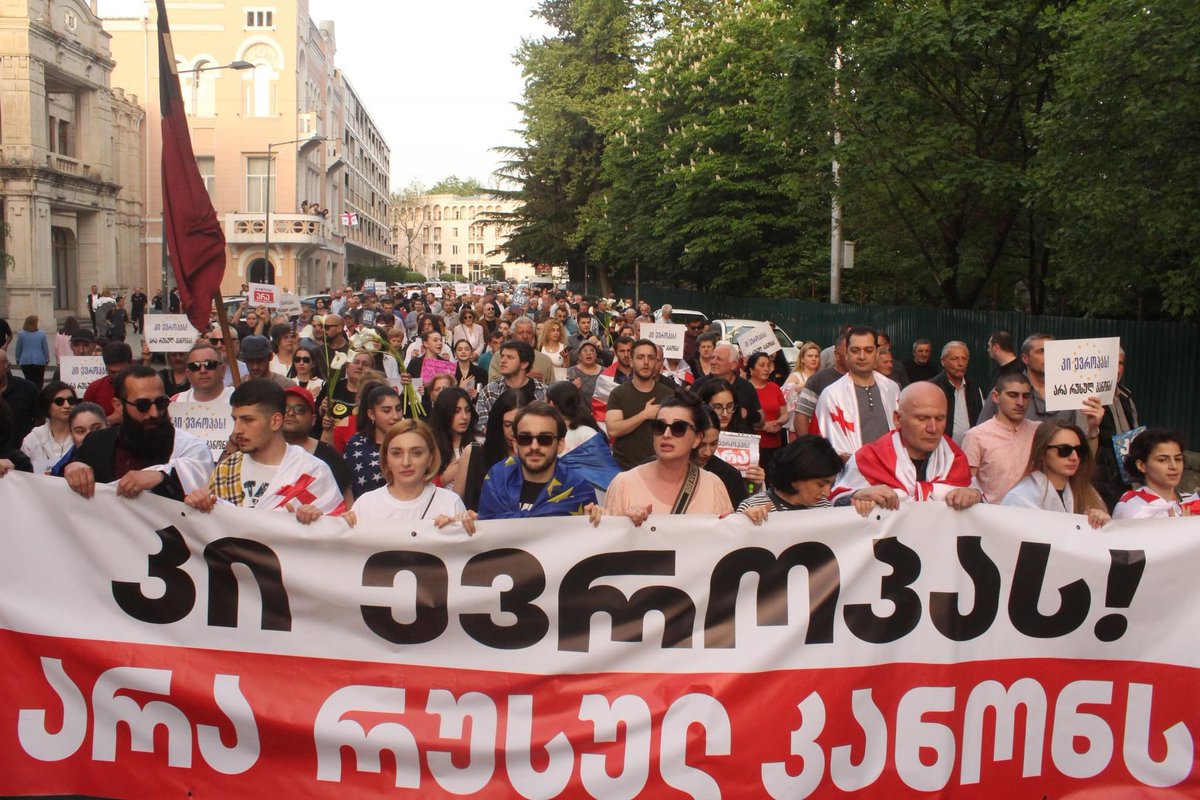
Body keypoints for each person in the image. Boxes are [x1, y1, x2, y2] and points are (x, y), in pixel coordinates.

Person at [184, 379, 345, 522]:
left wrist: (317, 521)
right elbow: (213, 527)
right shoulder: (226, 470)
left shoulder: (312, 472)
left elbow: (336, 534)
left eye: (248, 420)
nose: (237, 430)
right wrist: (199, 504)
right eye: (235, 419)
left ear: (275, 421)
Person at [64, 366, 213, 501]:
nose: (154, 413)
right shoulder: (96, 442)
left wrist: (161, 479)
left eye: (161, 403)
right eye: (143, 405)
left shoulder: (189, 447)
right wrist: (73, 468)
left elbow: (199, 501)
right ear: (119, 405)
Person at [830, 382, 983, 513]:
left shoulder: (955, 459)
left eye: (940, 418)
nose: (933, 428)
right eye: (922, 418)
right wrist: (855, 496)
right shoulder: (868, 458)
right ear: (898, 419)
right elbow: (834, 502)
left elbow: (978, 517)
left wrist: (974, 497)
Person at [606, 391, 733, 519]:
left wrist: (746, 520)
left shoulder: (713, 485)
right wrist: (627, 524)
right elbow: (609, 536)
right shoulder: (624, 484)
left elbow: (728, 536)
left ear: (697, 439)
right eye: (659, 426)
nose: (666, 434)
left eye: (678, 428)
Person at [478, 401, 601, 522]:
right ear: (515, 444)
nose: (534, 446)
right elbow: (484, 529)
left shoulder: (579, 489)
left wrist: (599, 519)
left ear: (560, 444)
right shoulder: (497, 479)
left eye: (545, 439)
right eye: (525, 438)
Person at [350, 418, 474, 529]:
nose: (406, 462)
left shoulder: (450, 503)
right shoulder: (365, 505)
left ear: (430, 458)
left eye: (416, 453)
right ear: (387, 459)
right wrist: (343, 525)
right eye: (397, 453)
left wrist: (462, 529)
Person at [1002, 421, 1110, 527]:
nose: (1074, 457)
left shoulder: (1087, 491)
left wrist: (1102, 522)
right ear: (1042, 452)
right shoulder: (1020, 498)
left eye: (1079, 450)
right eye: (1064, 450)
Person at [814, 326, 900, 459]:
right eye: (855, 350)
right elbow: (820, 443)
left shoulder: (892, 390)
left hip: (891, 472)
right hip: (848, 475)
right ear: (846, 354)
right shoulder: (831, 395)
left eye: (868, 350)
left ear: (877, 353)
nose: (862, 356)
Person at [960, 373, 1041, 503]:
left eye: (1026, 396)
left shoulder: (1039, 431)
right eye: (1013, 395)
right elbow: (966, 484)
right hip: (993, 518)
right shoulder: (976, 436)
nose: (1021, 402)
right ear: (996, 397)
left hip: (1033, 515)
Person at [737, 435, 845, 523]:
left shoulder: (825, 507)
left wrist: (858, 512)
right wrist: (744, 522)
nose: (827, 493)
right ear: (795, 478)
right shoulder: (753, 507)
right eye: (820, 484)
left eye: (831, 484)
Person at [605, 339, 676, 470]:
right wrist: (644, 415)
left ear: (656, 362)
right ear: (631, 361)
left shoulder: (668, 394)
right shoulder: (618, 393)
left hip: (660, 468)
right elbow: (613, 430)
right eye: (640, 357)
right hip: (625, 469)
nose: (646, 362)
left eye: (651, 357)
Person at [280, 386, 353, 511]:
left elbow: (348, 506)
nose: (290, 413)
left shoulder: (329, 456)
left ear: (313, 420)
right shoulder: (263, 453)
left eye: (299, 410)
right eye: (285, 408)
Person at [545, 381, 621, 495]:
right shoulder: (547, 434)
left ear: (551, 404)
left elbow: (609, 474)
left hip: (597, 498)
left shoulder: (587, 434)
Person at [1114, 429, 1199, 519]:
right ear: (1141, 465)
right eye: (1163, 460)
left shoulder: (1192, 501)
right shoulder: (1132, 507)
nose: (1174, 466)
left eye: (1178, 459)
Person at [344, 384, 403, 500]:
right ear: (371, 414)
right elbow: (348, 489)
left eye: (398, 409)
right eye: (387, 411)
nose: (395, 416)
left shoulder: (411, 440)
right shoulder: (356, 445)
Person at [476, 339, 546, 433]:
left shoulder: (543, 392)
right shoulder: (489, 391)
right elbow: (481, 425)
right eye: (502, 356)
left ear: (524, 364)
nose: (503, 361)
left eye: (510, 357)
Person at [694, 342, 763, 428]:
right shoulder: (699, 385)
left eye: (719, 359)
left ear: (733, 365)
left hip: (737, 440)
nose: (713, 362)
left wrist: (747, 414)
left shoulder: (746, 387)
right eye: (712, 358)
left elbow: (761, 421)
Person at [929, 341, 983, 444]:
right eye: (954, 359)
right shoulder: (932, 387)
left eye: (964, 359)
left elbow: (980, 420)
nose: (961, 364)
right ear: (943, 361)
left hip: (970, 448)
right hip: (941, 449)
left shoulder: (974, 388)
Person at [21, 380, 78, 474]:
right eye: (59, 401)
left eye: (71, 401)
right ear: (47, 405)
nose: (67, 406)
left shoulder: (83, 434)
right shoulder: (33, 438)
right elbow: (22, 472)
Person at [429, 386, 478, 492]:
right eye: (456, 411)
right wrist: (443, 479)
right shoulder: (429, 446)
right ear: (444, 412)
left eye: (468, 410)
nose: (464, 417)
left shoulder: (479, 443)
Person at [746, 352, 787, 472]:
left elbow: (785, 414)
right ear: (751, 369)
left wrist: (778, 422)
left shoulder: (774, 388)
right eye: (761, 365)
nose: (766, 369)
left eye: (768, 365)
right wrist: (763, 427)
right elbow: (740, 418)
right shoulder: (744, 388)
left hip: (775, 444)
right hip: (753, 445)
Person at [47, 401, 107, 476]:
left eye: (96, 429)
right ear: (71, 434)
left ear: (107, 426)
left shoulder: (123, 455)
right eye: (80, 431)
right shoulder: (59, 471)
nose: (89, 436)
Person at [487, 316, 555, 382]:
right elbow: (493, 383)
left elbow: (552, 389)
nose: (525, 337)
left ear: (533, 336)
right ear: (513, 335)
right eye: (520, 333)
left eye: (528, 333)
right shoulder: (499, 356)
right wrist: (525, 378)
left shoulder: (545, 360)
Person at [82, 342, 133, 426]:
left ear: (131, 364)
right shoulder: (95, 388)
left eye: (122, 371)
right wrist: (109, 420)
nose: (118, 376)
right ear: (105, 367)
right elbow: (83, 424)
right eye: (113, 372)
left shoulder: (144, 386)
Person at [13, 315, 50, 386]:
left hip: (25, 360)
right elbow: (45, 348)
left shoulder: (21, 334)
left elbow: (18, 348)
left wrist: (18, 359)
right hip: (39, 360)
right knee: (39, 380)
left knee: (28, 380)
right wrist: (47, 359)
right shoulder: (41, 334)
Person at [538, 318, 570, 382]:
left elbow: (566, 368)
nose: (556, 333)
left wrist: (565, 358)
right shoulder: (541, 347)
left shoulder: (564, 347)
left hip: (559, 381)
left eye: (558, 330)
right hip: (544, 380)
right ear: (547, 332)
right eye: (553, 330)